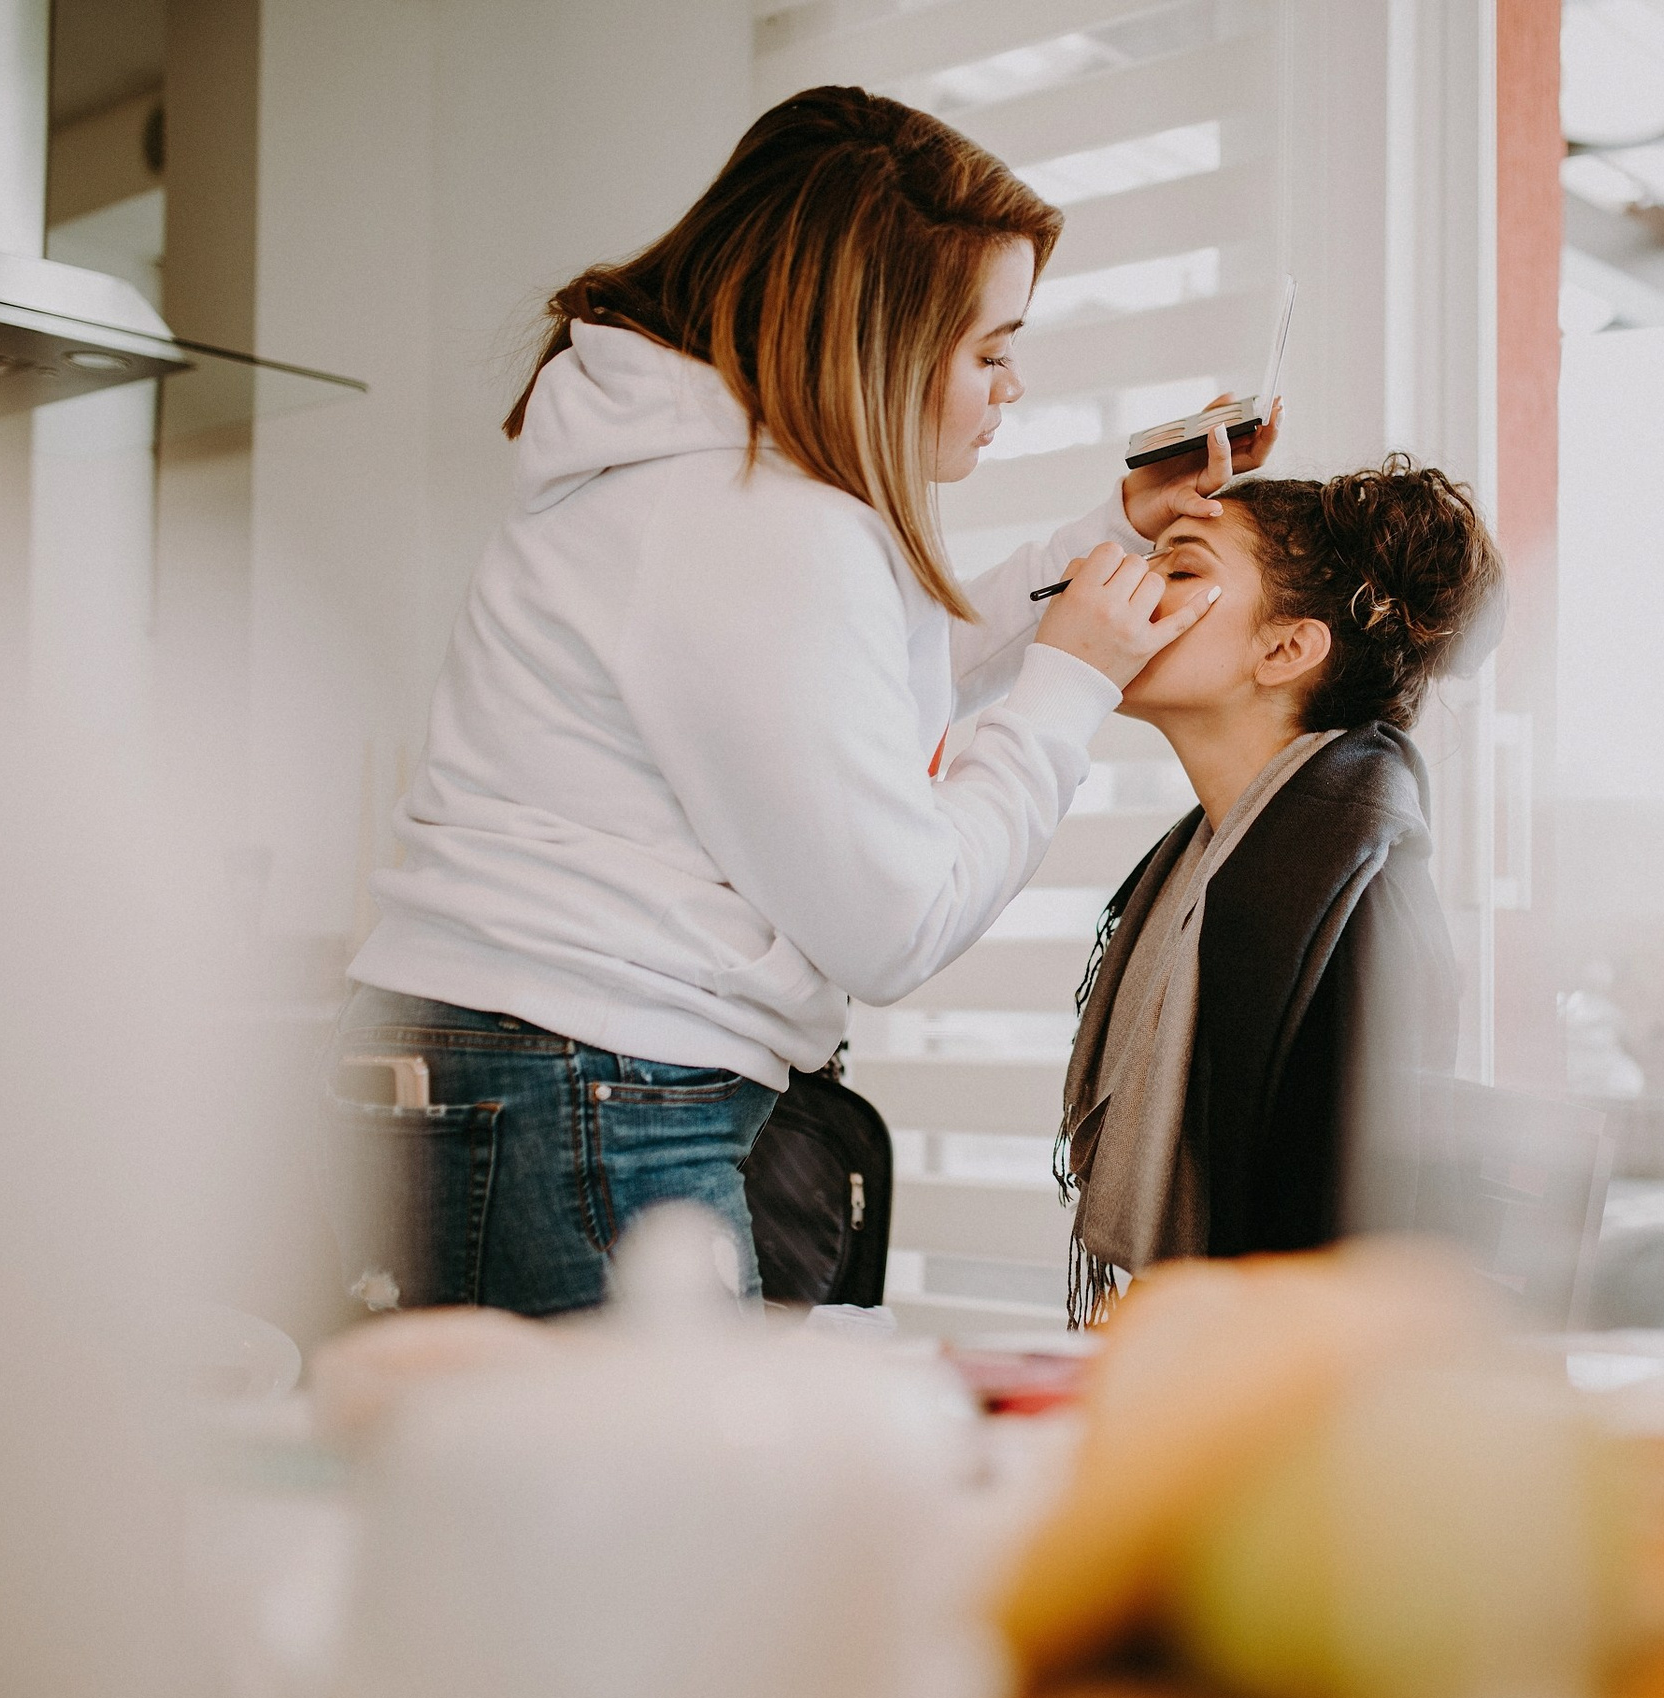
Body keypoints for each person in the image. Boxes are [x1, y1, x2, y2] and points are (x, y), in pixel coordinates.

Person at [326, 86, 1276, 1317]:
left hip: (525, 1059)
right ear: (877, 339)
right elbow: (893, 926)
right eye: (989, 350)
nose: (1013, 388)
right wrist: (1069, 685)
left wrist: (1107, 533)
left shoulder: (696, 478)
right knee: (645, 1503)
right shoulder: (754, 526)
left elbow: (867, 669)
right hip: (583, 1080)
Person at [1056, 456, 1504, 1323]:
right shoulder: (1219, 868)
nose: (1123, 586)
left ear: (1287, 648)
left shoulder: (1358, 910)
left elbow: (1340, 1268)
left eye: (1180, 567)